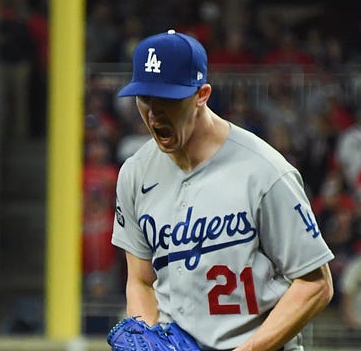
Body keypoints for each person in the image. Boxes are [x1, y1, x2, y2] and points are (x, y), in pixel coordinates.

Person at [110, 31, 334, 351]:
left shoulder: (265, 171)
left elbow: (316, 284)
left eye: (168, 99)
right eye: (146, 98)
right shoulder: (135, 173)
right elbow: (141, 280)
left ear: (202, 94)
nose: (154, 112)